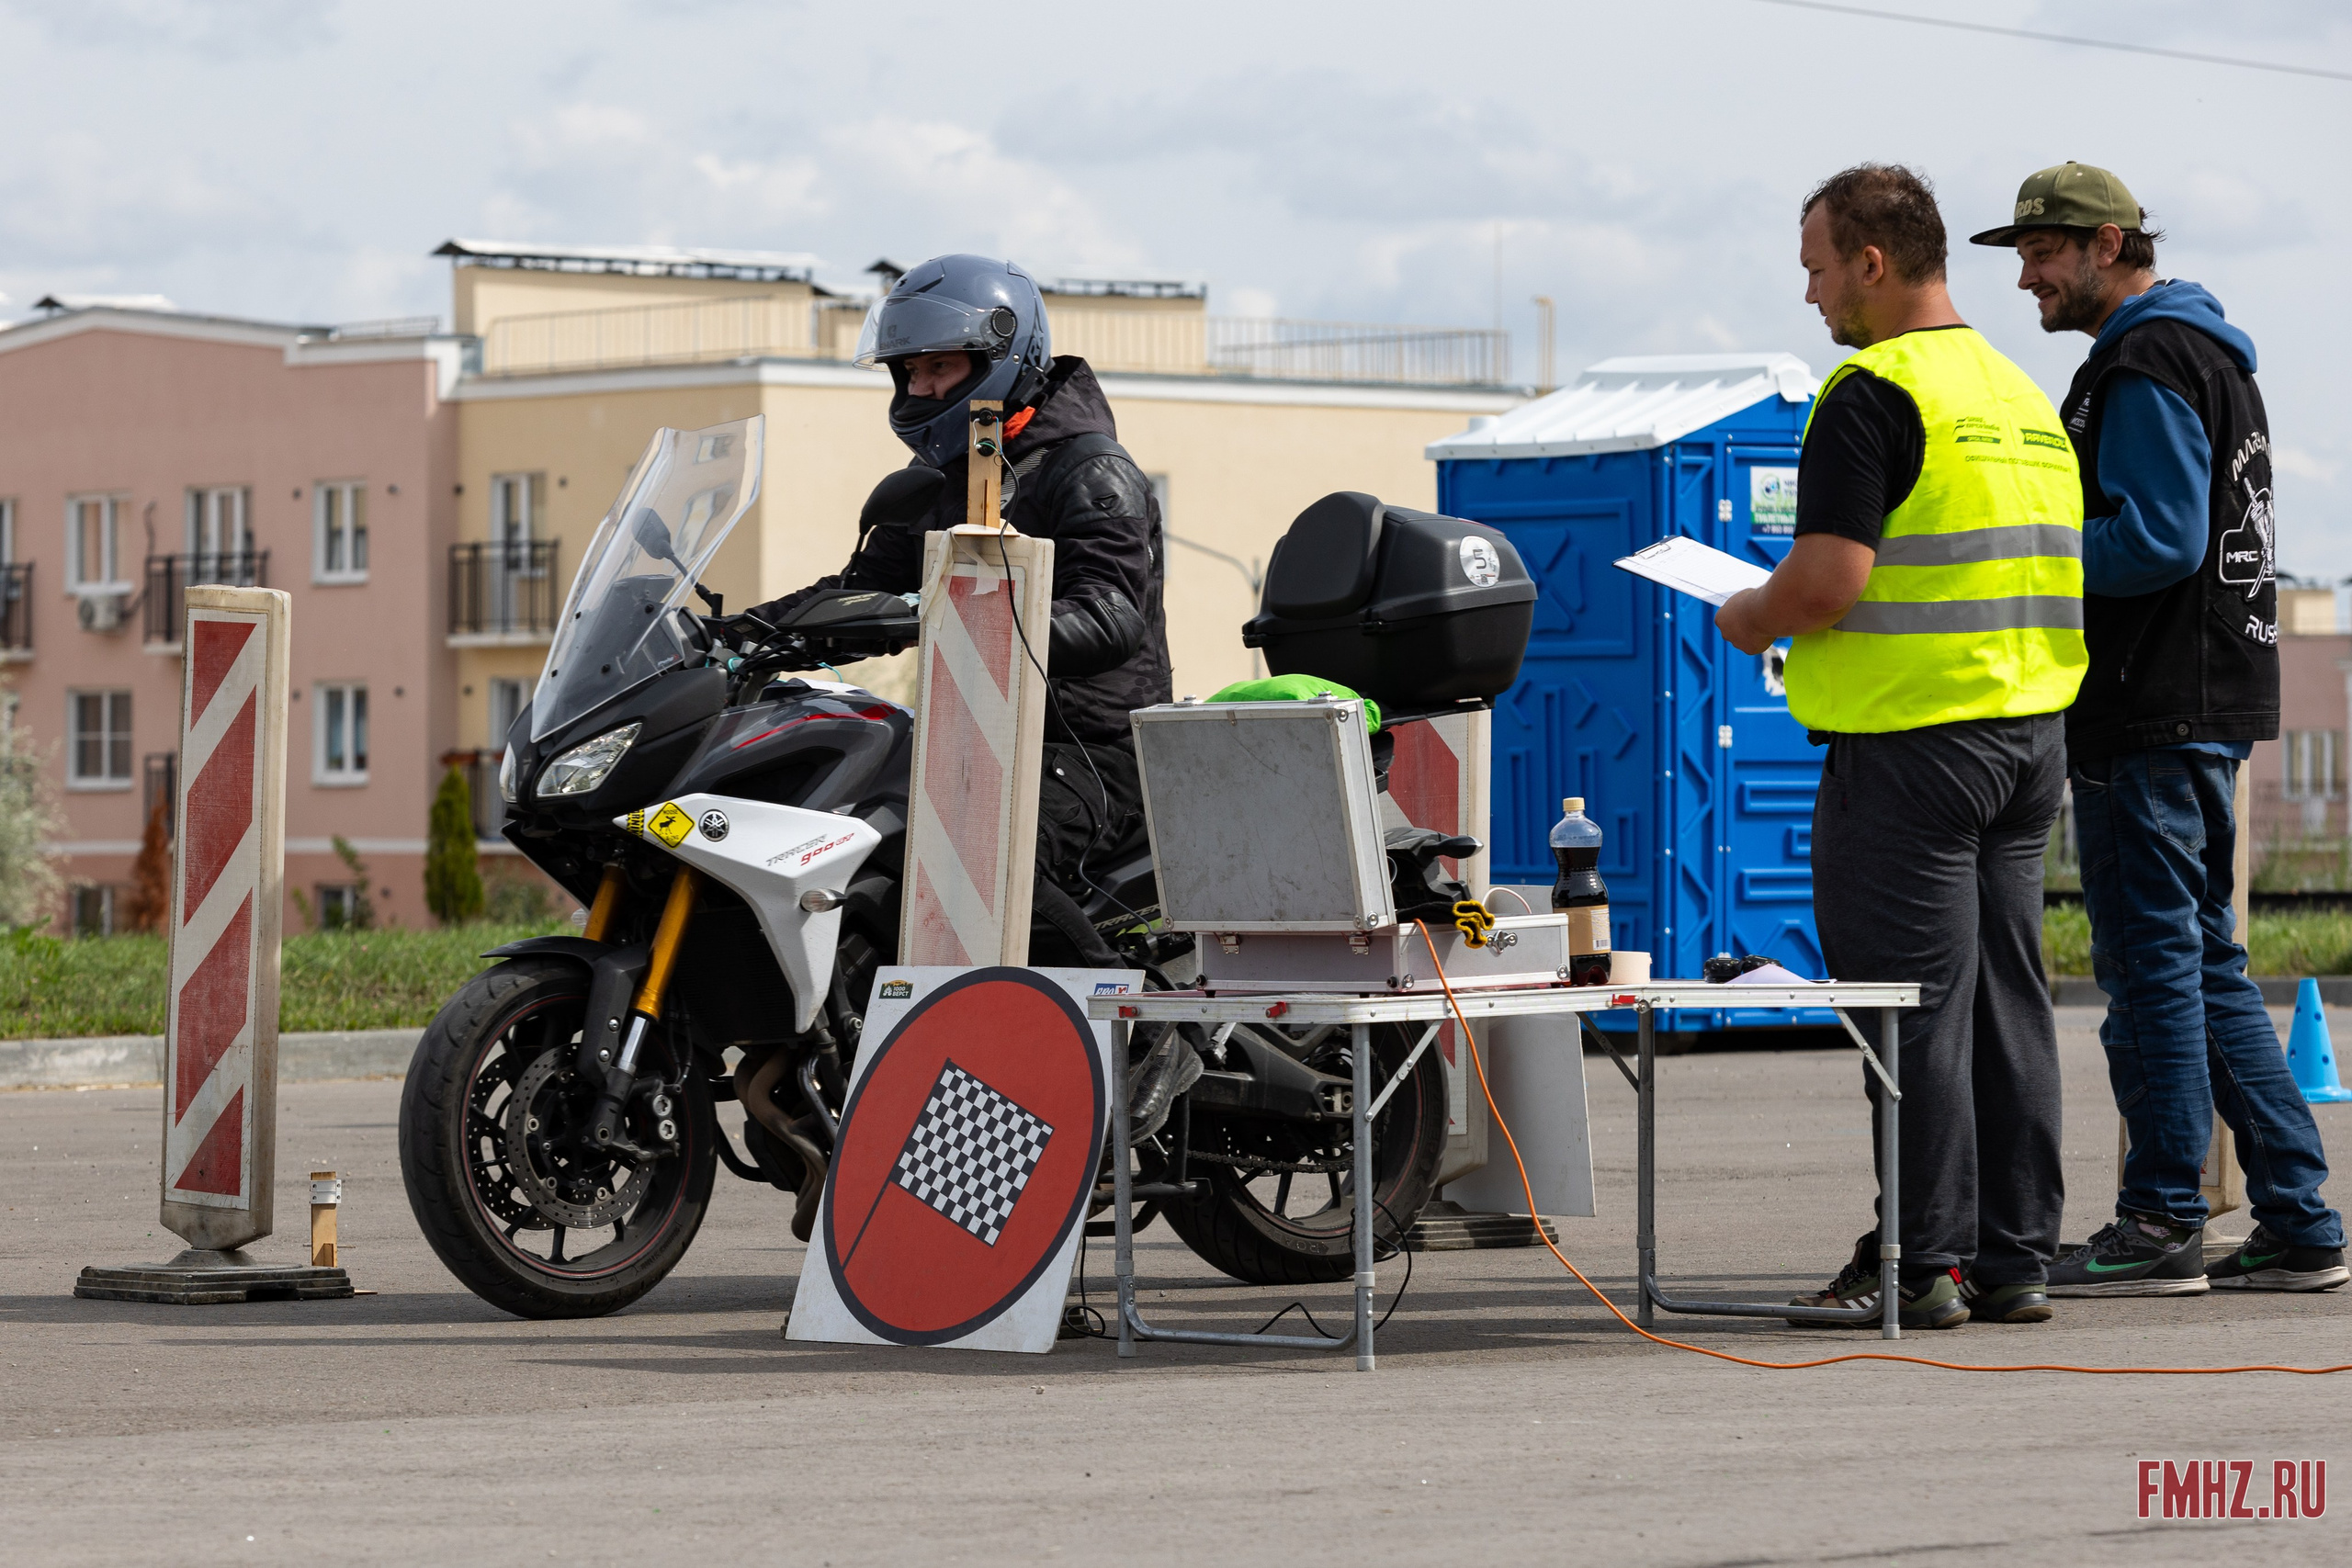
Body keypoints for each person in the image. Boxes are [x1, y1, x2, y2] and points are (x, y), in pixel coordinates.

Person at [1716, 164, 2086, 1329]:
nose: (1812, 294)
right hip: (2027, 740)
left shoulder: (1871, 391)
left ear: (1872, 264)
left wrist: (1749, 616)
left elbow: (1828, 579)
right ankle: (2013, 1258)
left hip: (1910, 749)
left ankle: (1919, 1263)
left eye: (1819, 268)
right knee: (2008, 1003)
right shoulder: (2019, 393)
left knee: (1907, 1010)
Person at [1973, 164, 2346, 1294]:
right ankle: (2299, 1221)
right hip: (2202, 701)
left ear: (2111, 244)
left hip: (2150, 708)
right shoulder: (2206, 354)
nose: (2026, 278)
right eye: (2021, 255)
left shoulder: (2142, 361)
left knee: (2148, 972)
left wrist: (2026, 553)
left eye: (2043, 252)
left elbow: (2156, 538)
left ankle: (2161, 1217)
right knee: (2201, 964)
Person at [742, 254, 1172, 962]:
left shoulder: (1091, 470)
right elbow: (860, 590)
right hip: (972, 737)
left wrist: (966, 620)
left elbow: (1112, 617)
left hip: (1090, 750)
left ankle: (1110, 1014)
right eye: (909, 371)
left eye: (938, 367)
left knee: (984, 862)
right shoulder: (945, 480)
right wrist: (735, 632)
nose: (921, 387)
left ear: (1002, 357)